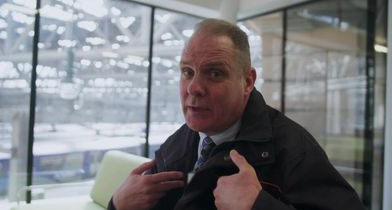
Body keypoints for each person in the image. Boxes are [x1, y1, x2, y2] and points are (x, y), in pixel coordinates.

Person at [108, 18, 365, 210]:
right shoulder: (180, 141)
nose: (194, 88)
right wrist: (118, 204)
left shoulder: (294, 150)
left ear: (247, 82)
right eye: (187, 72)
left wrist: (259, 206)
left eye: (215, 73)